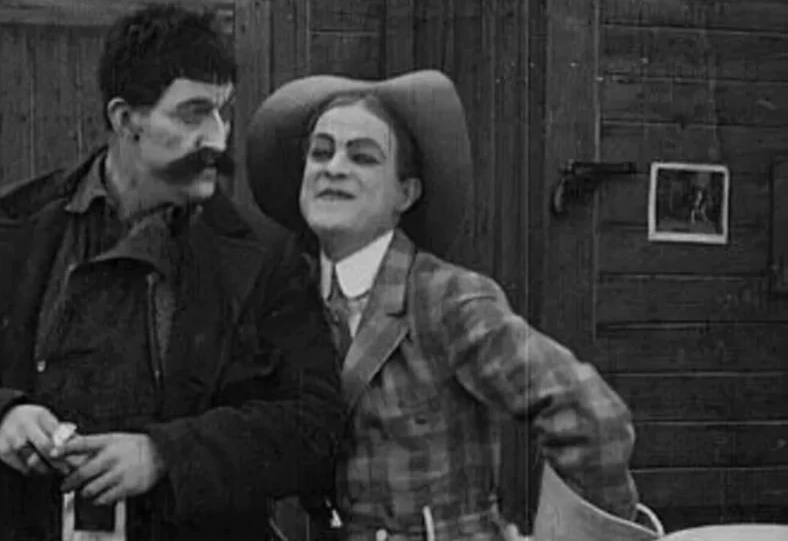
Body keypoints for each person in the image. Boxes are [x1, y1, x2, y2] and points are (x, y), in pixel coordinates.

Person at [0, 3, 344, 541]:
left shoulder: (264, 256)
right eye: (193, 114)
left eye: (223, 113)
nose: (217, 137)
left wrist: (165, 456)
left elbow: (315, 423)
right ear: (124, 119)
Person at [245, 70, 663, 541]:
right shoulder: (287, 300)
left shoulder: (446, 300)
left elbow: (591, 415)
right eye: (320, 152)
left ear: (406, 193)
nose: (334, 168)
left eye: (362, 157)